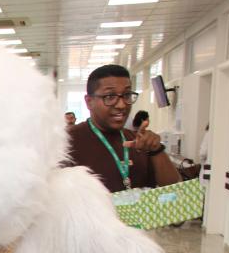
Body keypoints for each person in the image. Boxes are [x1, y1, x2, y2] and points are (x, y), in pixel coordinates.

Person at [66, 64, 180, 192]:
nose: (121, 105)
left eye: (126, 95)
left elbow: (175, 193)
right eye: (109, 96)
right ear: (89, 102)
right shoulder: (67, 142)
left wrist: (157, 150)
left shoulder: (139, 142)